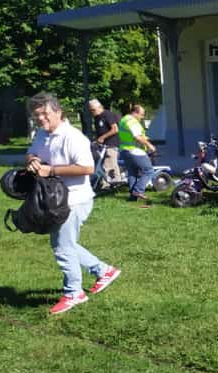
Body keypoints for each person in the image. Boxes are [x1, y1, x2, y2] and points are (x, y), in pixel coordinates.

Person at [25, 92, 120, 315]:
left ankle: (74, 293)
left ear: (58, 112)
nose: (41, 118)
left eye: (45, 113)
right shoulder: (42, 134)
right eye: (37, 115)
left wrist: (51, 170)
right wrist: (33, 161)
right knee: (65, 244)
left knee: (62, 247)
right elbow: (30, 153)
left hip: (75, 200)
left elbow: (87, 168)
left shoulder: (73, 137)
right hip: (54, 199)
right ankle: (103, 271)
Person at [118, 103, 157, 206]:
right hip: (134, 150)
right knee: (149, 170)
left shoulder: (124, 119)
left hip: (124, 150)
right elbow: (137, 137)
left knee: (132, 172)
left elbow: (129, 134)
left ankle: (133, 197)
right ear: (135, 112)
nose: (142, 117)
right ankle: (138, 190)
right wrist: (149, 145)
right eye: (141, 114)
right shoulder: (132, 121)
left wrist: (145, 138)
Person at [88, 98, 120, 184]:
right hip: (102, 146)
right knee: (102, 166)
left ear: (100, 107)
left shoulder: (107, 114)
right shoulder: (97, 118)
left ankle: (113, 184)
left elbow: (115, 129)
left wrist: (102, 137)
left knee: (109, 166)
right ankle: (104, 184)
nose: (92, 112)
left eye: (93, 110)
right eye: (90, 110)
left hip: (110, 145)